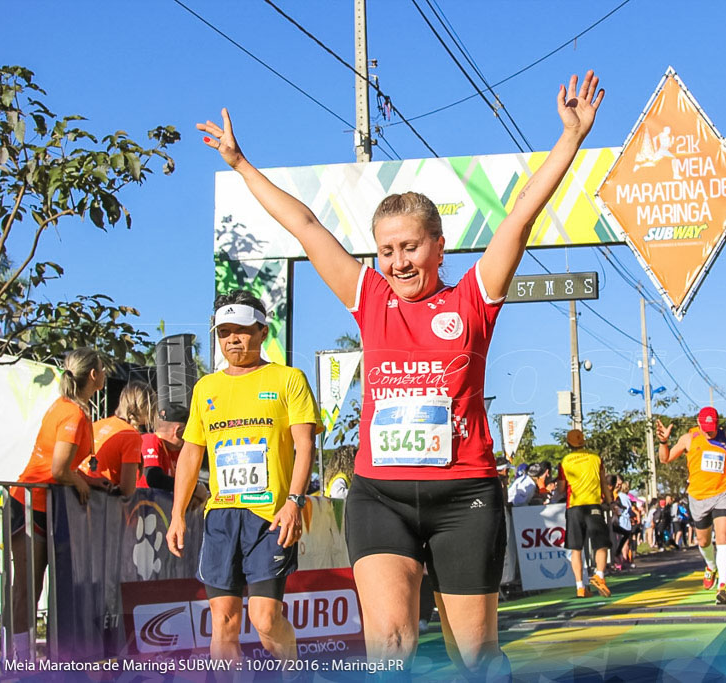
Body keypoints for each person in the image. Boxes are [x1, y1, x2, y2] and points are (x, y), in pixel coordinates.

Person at [196, 71, 604, 676]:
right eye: (386, 251)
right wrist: (239, 161)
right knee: (389, 649)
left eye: (410, 248)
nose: (397, 261)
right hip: (379, 496)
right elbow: (308, 229)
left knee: (476, 654)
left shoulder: (472, 298)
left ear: (439, 248)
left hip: (464, 497)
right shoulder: (370, 299)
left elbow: (519, 219)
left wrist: (569, 139)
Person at [166, 291, 322, 666]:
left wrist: (294, 502)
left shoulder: (288, 379)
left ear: (263, 331)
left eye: (242, 330)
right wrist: (177, 513)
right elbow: (191, 453)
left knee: (266, 620)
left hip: (270, 517)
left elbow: (305, 447)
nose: (233, 339)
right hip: (221, 517)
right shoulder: (206, 388)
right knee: (223, 622)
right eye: (224, 332)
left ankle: (293, 673)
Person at [10, 348, 109, 660]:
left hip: (46, 505)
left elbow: (65, 465)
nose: (105, 373)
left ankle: (44, 656)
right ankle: (18, 658)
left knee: (41, 587)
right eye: (103, 368)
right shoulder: (71, 412)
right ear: (93, 375)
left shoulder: (74, 409)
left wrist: (87, 479)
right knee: (28, 587)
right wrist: (79, 481)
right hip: (29, 503)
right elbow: (57, 470)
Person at [657, 408, 726, 605]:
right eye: (706, 429)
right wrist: (664, 441)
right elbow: (665, 459)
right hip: (698, 497)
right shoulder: (689, 438)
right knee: (703, 540)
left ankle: (723, 586)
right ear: (699, 424)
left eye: (712, 428)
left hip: (722, 492)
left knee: (723, 537)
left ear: (717, 424)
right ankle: (710, 566)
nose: (709, 432)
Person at [556, 429, 613, 598]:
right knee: (601, 544)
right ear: (584, 442)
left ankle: (580, 587)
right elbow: (604, 482)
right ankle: (599, 575)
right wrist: (609, 502)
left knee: (576, 548)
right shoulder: (596, 458)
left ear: (568, 443)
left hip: (574, 507)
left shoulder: (565, 461)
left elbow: (560, 488)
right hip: (593, 505)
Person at [82, 381, 155, 496]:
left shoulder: (97, 424)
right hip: (101, 500)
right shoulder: (131, 436)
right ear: (146, 407)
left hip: (77, 493)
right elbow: (127, 489)